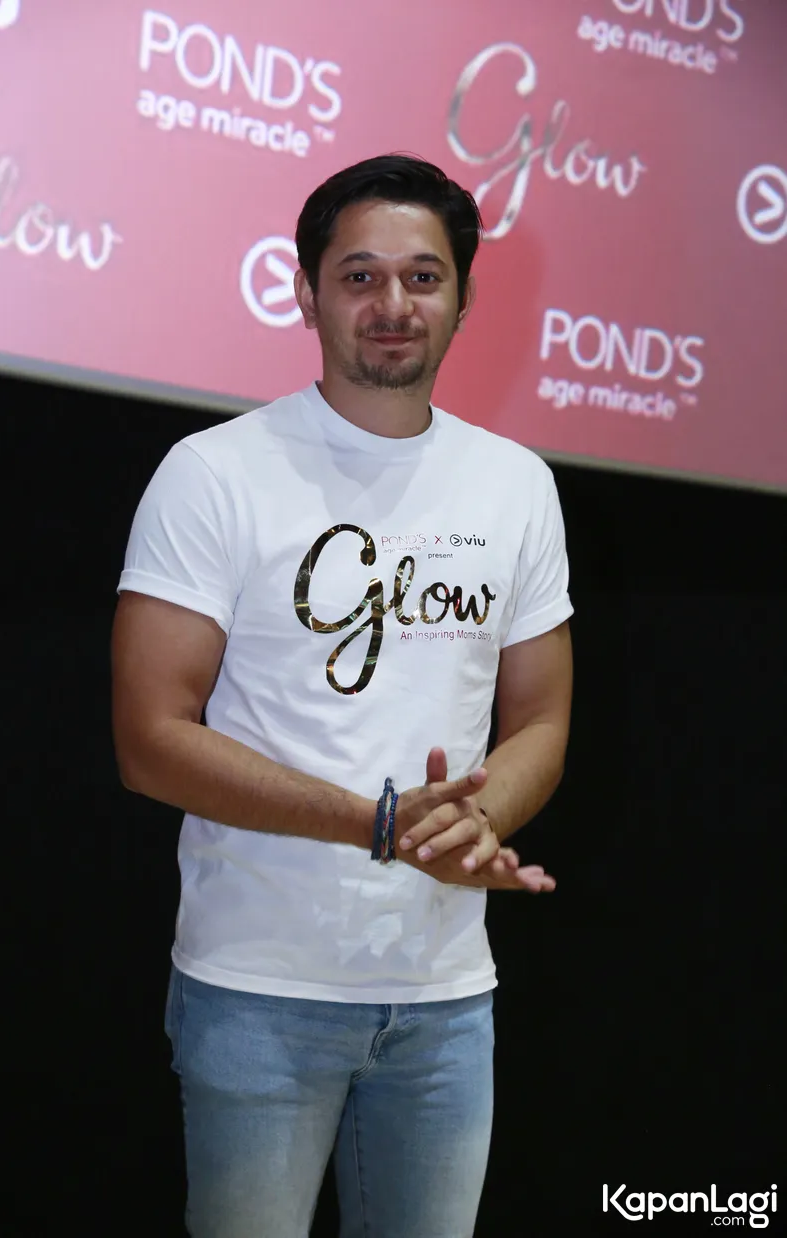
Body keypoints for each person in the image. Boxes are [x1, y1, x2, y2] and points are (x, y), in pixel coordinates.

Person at [111, 154, 573, 1238]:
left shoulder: (516, 484)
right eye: (360, 276)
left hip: (447, 1002)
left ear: (463, 297)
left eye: (423, 277)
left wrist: (480, 820)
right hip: (258, 991)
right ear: (306, 291)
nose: (393, 304)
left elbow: (541, 719)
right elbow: (149, 737)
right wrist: (377, 823)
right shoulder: (215, 472)